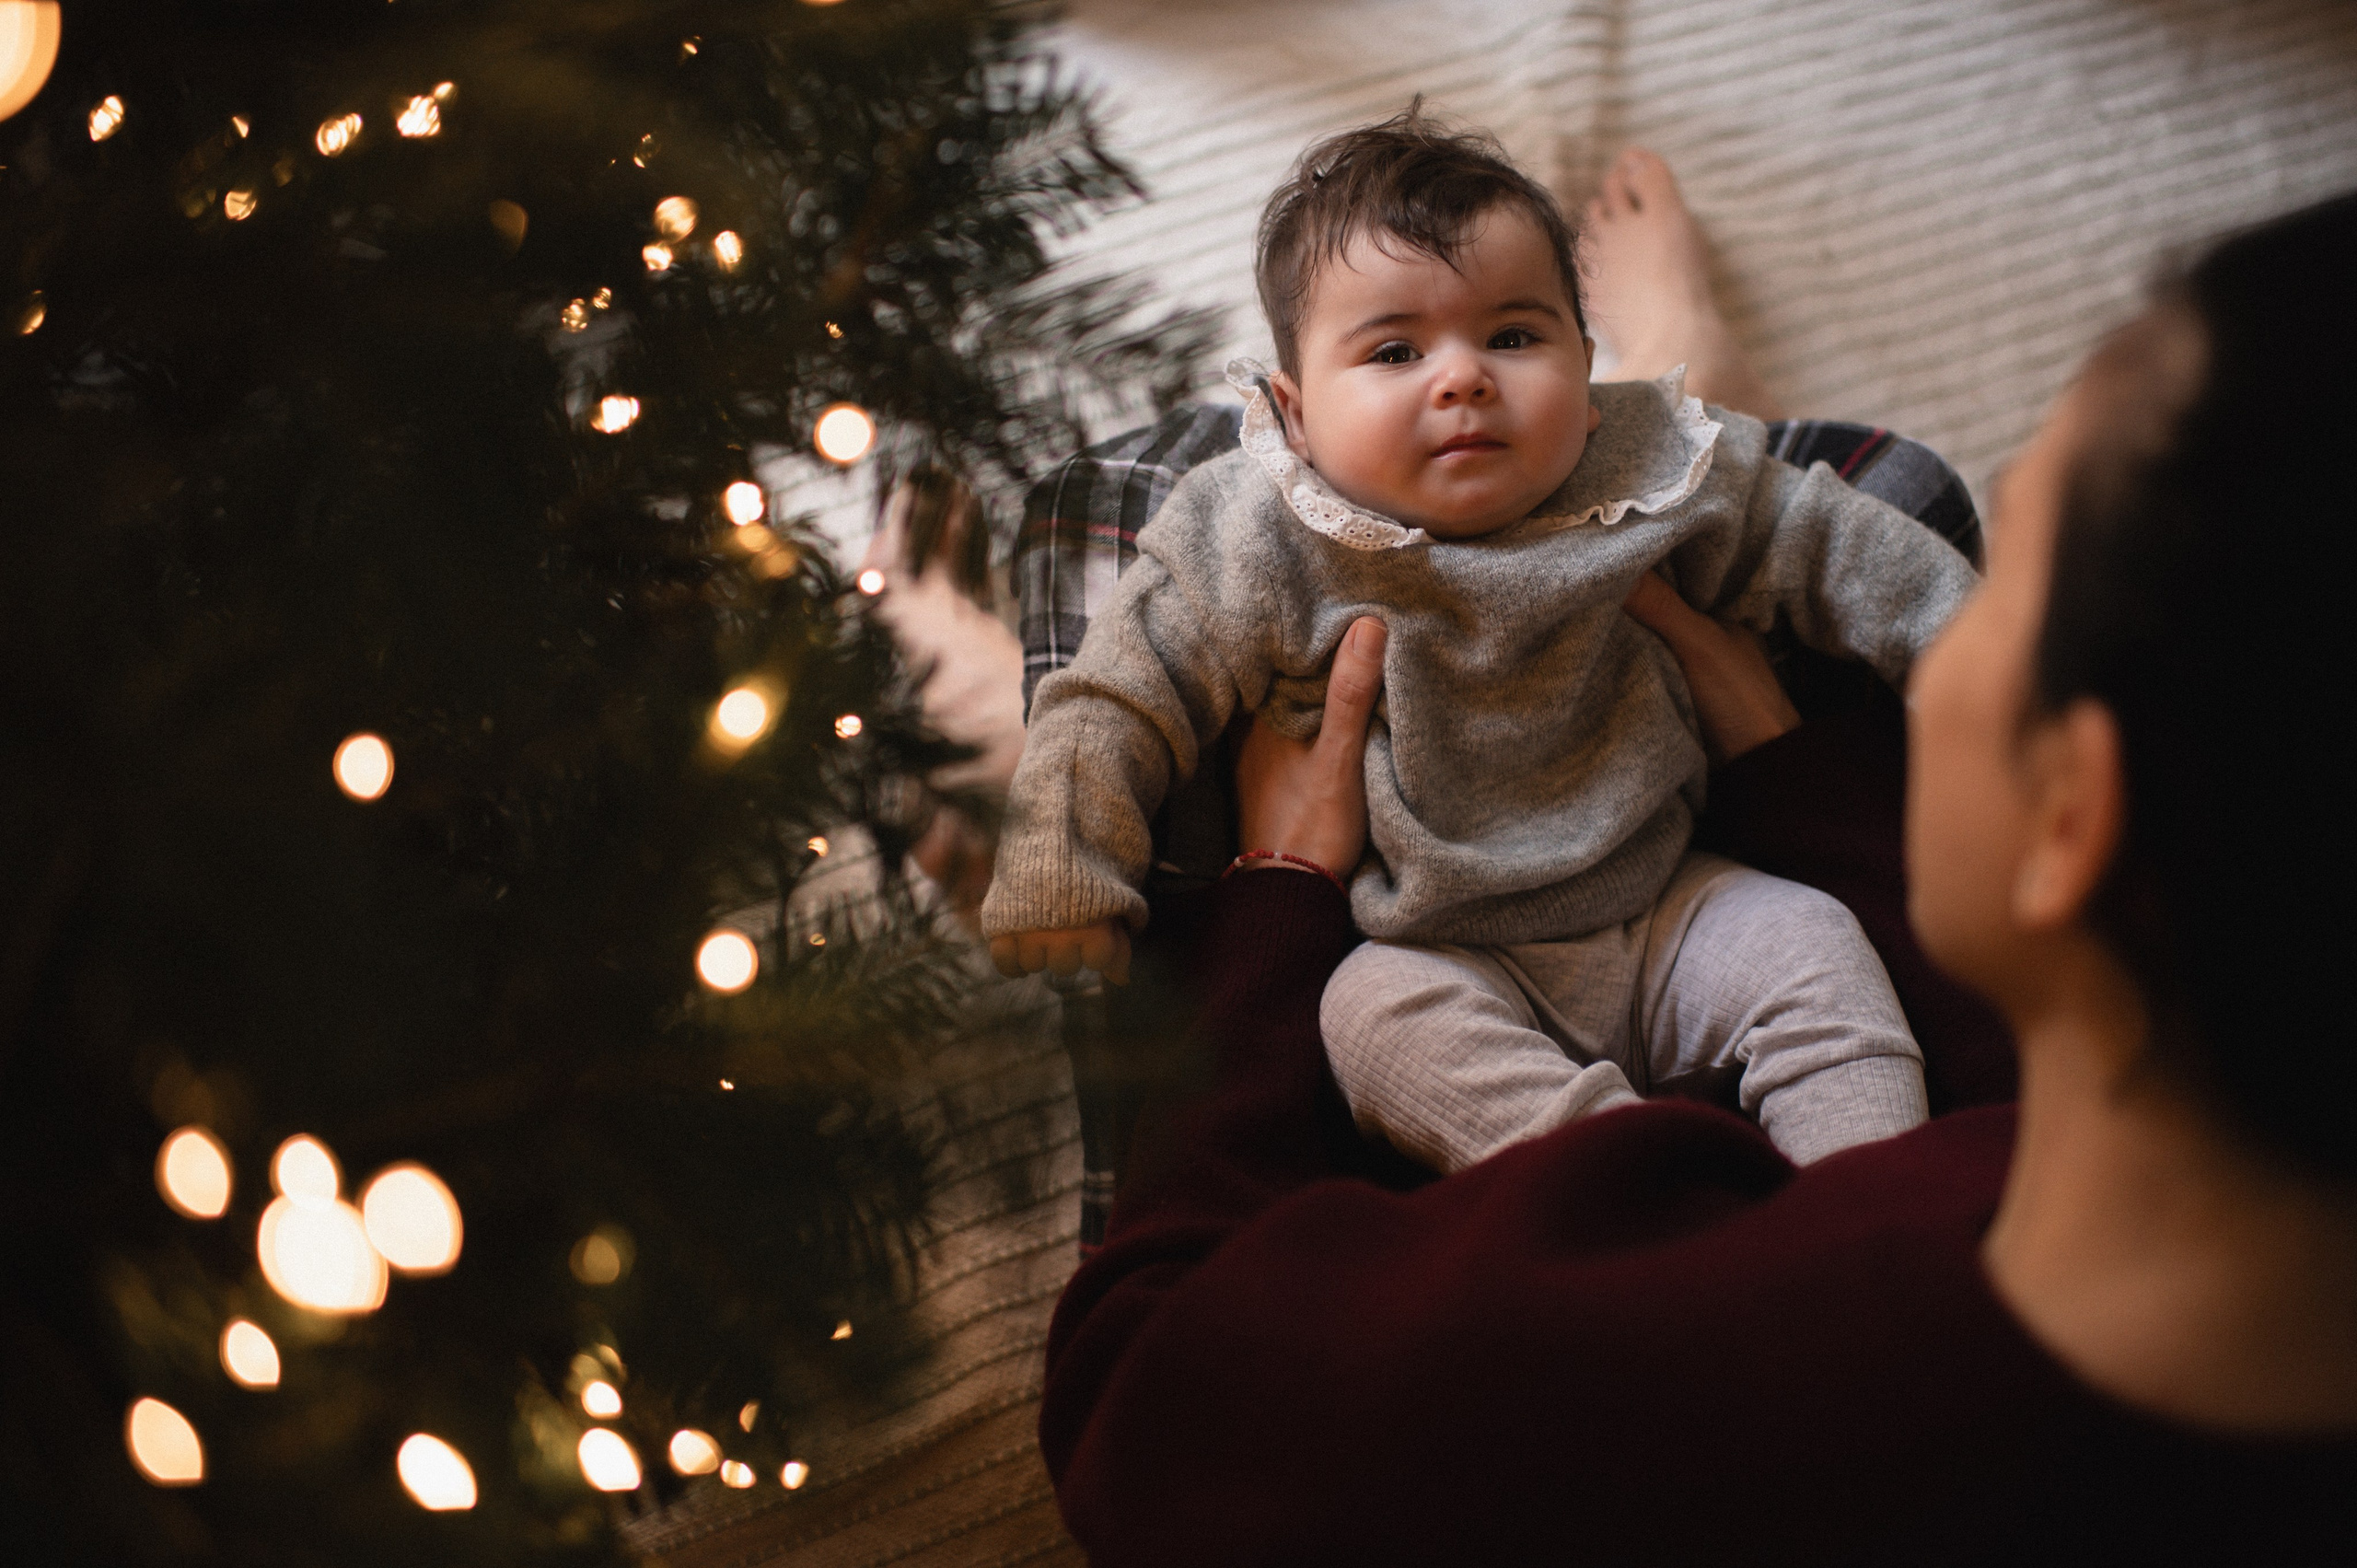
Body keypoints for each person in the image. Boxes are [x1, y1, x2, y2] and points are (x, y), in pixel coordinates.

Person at [1034, 188, 2357, 1562]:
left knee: (1089, 516)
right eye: (1397, 350)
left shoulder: (1529, 1388)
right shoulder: (2032, 1175)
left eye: (2008, 576)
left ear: (2072, 816)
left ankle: (1678, 406)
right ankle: (1694, 392)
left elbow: (1133, 1382)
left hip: (1588, 917)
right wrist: (1789, 758)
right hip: (1483, 923)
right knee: (1870, 487)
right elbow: (1991, 1067)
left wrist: (1270, 885)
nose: (1461, 376)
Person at [981, 112, 1978, 1174]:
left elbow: (1843, 547)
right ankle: (1644, 1184)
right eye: (1394, 351)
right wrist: (1061, 858)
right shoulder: (1257, 532)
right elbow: (1121, 689)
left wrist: (1990, 673)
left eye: (1512, 337)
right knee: (1369, 1018)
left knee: (1818, 946)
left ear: (1587, 382)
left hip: (1669, 900)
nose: (1461, 377)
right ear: (1294, 415)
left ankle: (1868, 1196)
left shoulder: (1655, 465)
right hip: (1439, 947)